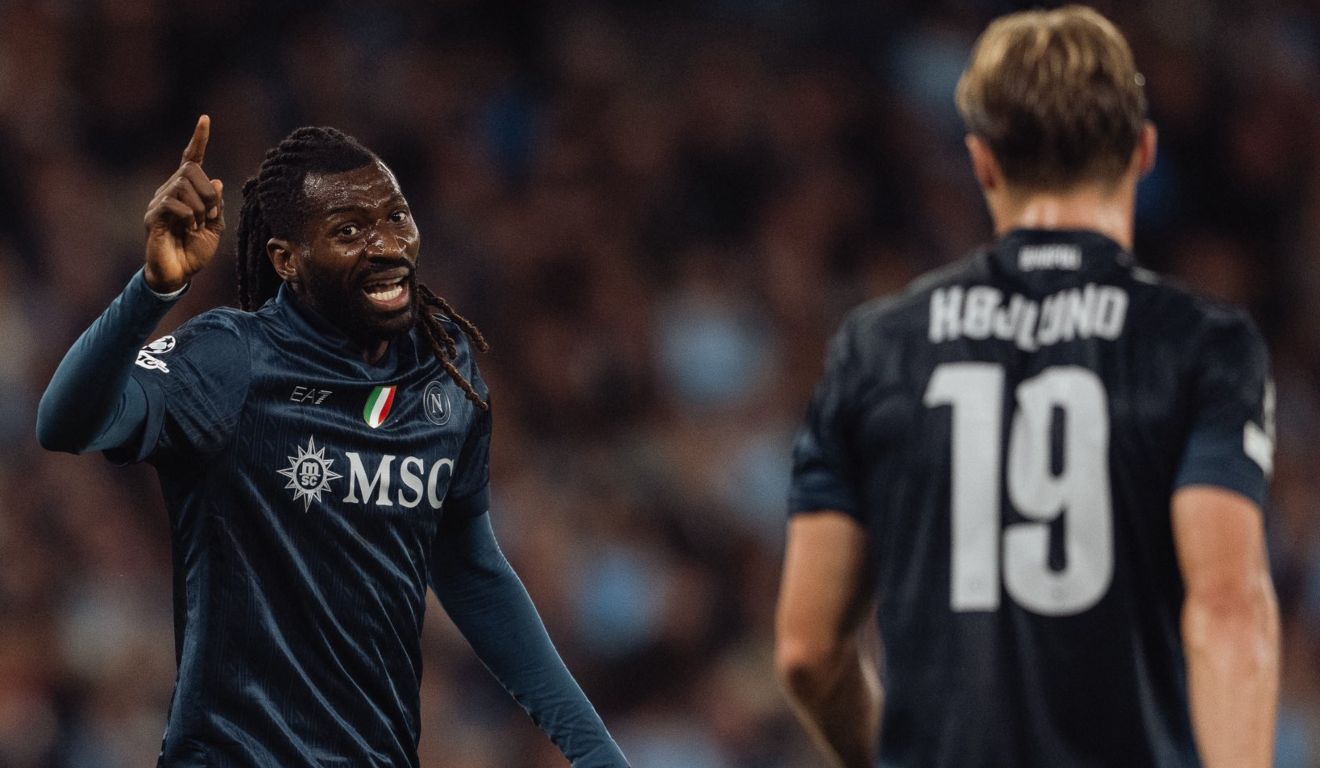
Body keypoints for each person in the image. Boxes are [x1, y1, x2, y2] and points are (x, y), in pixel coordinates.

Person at [36, 116, 629, 767]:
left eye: (395, 218)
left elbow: (473, 572)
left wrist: (594, 750)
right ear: (287, 259)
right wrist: (153, 290)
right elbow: (65, 423)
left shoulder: (444, 367)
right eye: (349, 231)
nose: (386, 245)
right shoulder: (231, 359)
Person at [774, 6, 1279, 768]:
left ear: (982, 163)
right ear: (1142, 151)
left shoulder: (876, 350)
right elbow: (1228, 608)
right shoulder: (1200, 346)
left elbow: (808, 652)